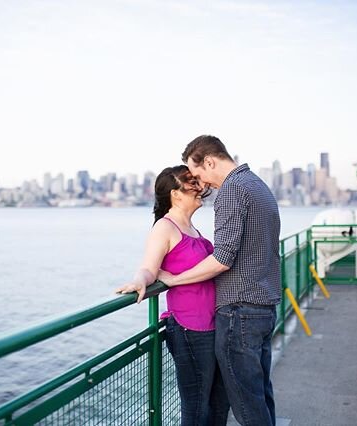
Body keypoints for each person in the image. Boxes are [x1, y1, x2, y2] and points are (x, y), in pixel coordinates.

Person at [158, 135, 282, 426]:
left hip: (239, 312)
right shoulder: (259, 186)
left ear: (210, 161)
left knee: (246, 404)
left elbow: (223, 258)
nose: (202, 185)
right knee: (260, 395)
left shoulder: (231, 191)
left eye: (199, 173)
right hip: (265, 307)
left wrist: (175, 280)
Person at [115, 165, 230, 426]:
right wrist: (139, 281)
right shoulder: (165, 228)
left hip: (212, 324)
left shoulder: (192, 229)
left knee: (219, 402)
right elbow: (148, 268)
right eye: (192, 183)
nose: (200, 188)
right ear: (176, 194)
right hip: (189, 327)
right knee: (197, 407)